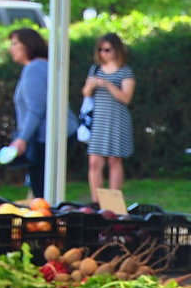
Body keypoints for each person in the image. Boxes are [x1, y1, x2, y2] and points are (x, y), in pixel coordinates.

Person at [7, 28, 75, 201]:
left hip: (48, 137)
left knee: (42, 193)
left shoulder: (35, 68)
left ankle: (45, 225)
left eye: (15, 44)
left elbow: (36, 108)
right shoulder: (43, 66)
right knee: (43, 190)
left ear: (28, 45)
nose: (11, 48)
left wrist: (22, 139)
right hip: (54, 135)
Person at [81, 33, 135, 204]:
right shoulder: (95, 69)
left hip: (116, 119)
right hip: (99, 120)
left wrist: (108, 85)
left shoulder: (125, 71)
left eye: (108, 50)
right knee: (94, 161)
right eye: (101, 50)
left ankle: (113, 202)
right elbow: (86, 93)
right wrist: (92, 85)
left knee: (114, 160)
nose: (104, 54)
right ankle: (96, 200)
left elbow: (126, 97)